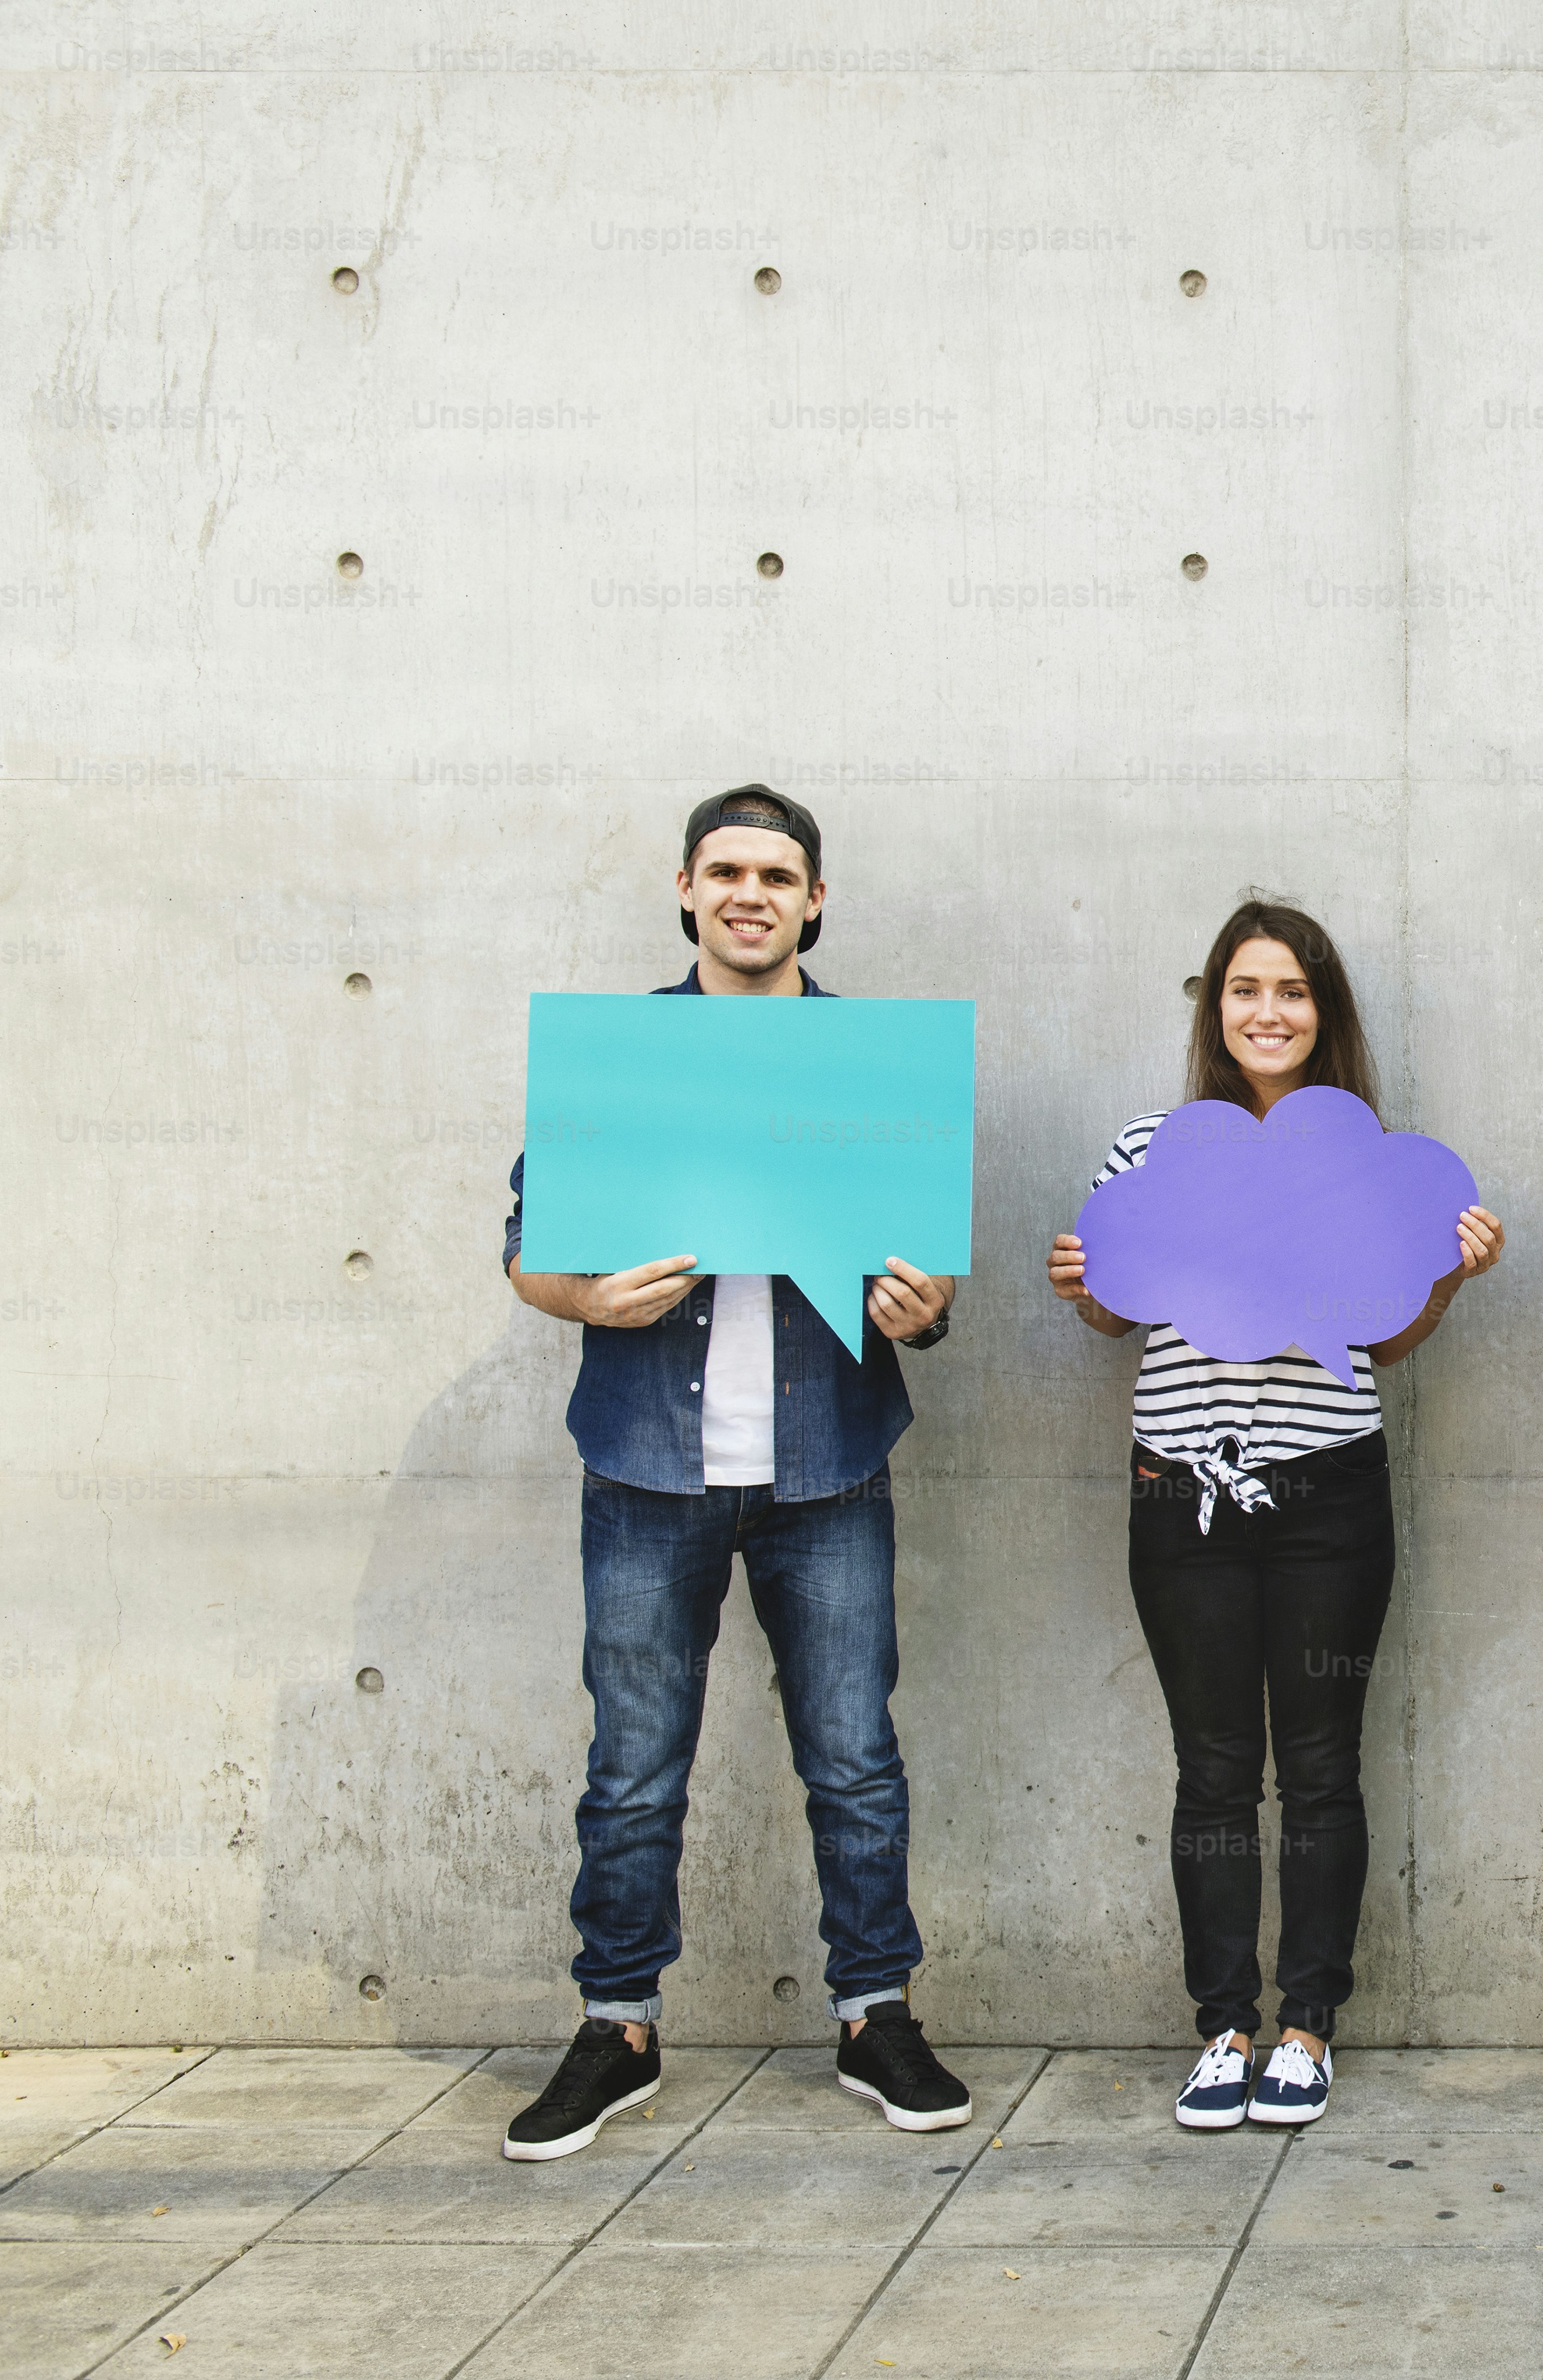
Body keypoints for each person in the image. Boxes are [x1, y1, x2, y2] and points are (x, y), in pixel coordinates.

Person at [497, 787, 970, 2161]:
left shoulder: (877, 1067)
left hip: (828, 1470)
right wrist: (590, 1299)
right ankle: (618, 2023)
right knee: (634, 1767)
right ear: (688, 889)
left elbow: (929, 1286)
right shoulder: (620, 1058)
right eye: (727, 870)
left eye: (778, 872)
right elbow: (529, 1251)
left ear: (814, 899)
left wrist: (919, 1311)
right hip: (648, 1465)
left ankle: (875, 2011)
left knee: (856, 1761)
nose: (751, 891)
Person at [1046, 901, 1499, 2132]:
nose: (1268, 1012)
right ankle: (1221, 2026)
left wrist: (1446, 1274)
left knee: (1318, 1768)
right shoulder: (1150, 1146)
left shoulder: (1378, 1164)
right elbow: (1112, 1315)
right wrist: (1085, 1278)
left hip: (1327, 1493)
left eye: (1292, 991)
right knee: (1211, 1772)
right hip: (1179, 1489)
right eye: (1246, 989)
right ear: (1215, 1009)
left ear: (1324, 1012)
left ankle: (1306, 2025)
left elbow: (1384, 1346)